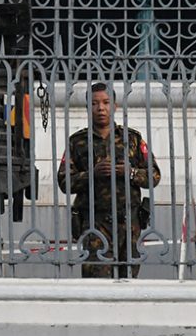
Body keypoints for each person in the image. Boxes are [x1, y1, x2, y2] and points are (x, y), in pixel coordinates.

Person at [57, 82, 160, 278]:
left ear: (115, 106)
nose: (100, 108)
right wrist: (91, 174)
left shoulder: (132, 139)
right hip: (95, 223)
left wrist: (131, 173)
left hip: (129, 221)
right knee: (96, 282)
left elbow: (154, 176)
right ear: (88, 107)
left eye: (105, 102)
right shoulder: (77, 142)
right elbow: (64, 182)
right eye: (95, 103)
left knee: (128, 279)